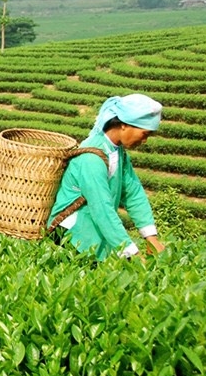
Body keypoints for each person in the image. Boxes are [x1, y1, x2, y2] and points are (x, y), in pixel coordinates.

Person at [47, 93, 166, 260]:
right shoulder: (91, 157)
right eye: (144, 133)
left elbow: (133, 192)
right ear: (124, 125)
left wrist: (150, 236)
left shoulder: (117, 151)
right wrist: (131, 252)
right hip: (71, 235)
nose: (145, 140)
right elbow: (102, 208)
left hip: (92, 232)